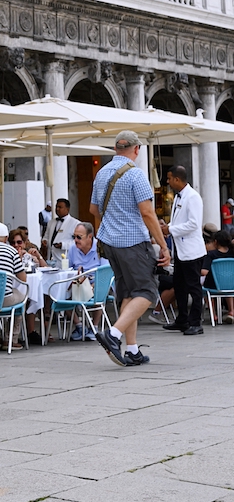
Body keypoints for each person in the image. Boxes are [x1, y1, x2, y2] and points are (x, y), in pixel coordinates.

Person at [90, 130, 170, 367]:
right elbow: (147, 212)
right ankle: (113, 334)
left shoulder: (101, 173)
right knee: (147, 292)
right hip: (133, 242)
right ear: (137, 149)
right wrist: (163, 245)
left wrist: (113, 221)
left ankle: (133, 349)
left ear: (116, 149)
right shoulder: (136, 174)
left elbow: (94, 210)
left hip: (109, 243)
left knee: (128, 294)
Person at [161, 166, 205, 336]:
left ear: (177, 179)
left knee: (193, 287)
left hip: (192, 251)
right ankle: (182, 319)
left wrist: (170, 230)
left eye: (169, 178)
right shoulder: (179, 196)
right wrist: (168, 227)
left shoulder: (192, 197)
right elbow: (179, 221)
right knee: (179, 285)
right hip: (180, 251)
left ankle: (196, 322)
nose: (168, 182)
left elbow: (193, 224)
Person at [67, 222, 108, 340]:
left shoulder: (101, 247)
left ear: (90, 237)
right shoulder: (72, 249)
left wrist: (93, 285)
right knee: (59, 295)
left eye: (79, 237)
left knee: (99, 289)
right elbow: (68, 270)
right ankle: (79, 326)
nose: (75, 240)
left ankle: (94, 327)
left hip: (96, 282)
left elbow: (105, 272)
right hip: (77, 283)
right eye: (74, 236)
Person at [201, 230, 234, 324]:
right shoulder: (232, 253)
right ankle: (231, 311)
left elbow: (204, 272)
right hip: (231, 285)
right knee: (227, 285)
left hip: (213, 286)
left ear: (215, 242)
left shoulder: (211, 255)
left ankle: (213, 314)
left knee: (205, 288)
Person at [42, 198, 80, 264]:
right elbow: (46, 236)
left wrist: (63, 245)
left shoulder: (76, 223)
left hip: (65, 259)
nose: (57, 209)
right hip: (50, 259)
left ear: (67, 209)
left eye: (60, 207)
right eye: (56, 207)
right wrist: (45, 241)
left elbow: (79, 242)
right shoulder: (51, 222)